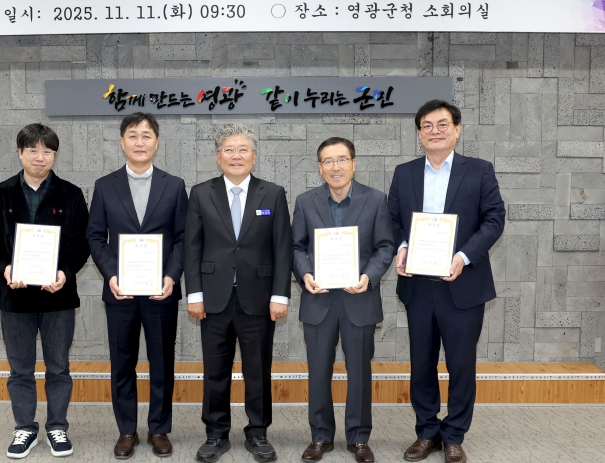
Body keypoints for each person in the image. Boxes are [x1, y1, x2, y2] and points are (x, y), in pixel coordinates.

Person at [388, 100, 505, 463]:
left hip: (463, 283)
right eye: (427, 125)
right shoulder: (404, 173)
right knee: (421, 363)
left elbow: (494, 219)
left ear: (457, 129)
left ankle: (454, 434)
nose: (434, 131)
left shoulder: (479, 170)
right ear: (419, 133)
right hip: (419, 285)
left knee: (461, 365)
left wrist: (464, 256)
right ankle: (427, 432)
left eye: (442, 124)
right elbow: (393, 220)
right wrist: (402, 247)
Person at [0, 123, 90, 459]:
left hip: (58, 297)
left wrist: (64, 272)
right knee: (20, 369)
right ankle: (24, 428)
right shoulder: (1, 193)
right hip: (15, 297)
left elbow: (81, 242)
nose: (40, 157)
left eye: (47, 151)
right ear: (20, 153)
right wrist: (5, 266)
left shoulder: (71, 194)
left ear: (54, 155)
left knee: (58, 367)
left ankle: (57, 427)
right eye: (33, 150)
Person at [184, 123, 292, 463]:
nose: (236, 156)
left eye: (243, 149)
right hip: (213, 298)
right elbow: (191, 247)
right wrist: (194, 294)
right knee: (215, 371)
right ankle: (215, 433)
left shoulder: (272, 193)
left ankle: (258, 432)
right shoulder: (200, 193)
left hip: (259, 298)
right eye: (229, 150)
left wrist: (280, 295)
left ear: (254, 156)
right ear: (218, 157)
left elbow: (282, 248)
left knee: (257, 371)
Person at [87, 112, 188, 460]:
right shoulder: (105, 185)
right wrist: (111, 275)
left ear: (156, 143)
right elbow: (95, 236)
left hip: (161, 291)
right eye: (133, 135)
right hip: (121, 291)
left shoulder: (174, 185)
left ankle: (159, 428)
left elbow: (183, 237)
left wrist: (171, 276)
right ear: (122, 142)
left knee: (162, 364)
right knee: (122, 364)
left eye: (146, 136)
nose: (140, 142)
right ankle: (126, 430)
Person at [291, 137, 394, 463]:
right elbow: (295, 247)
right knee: (318, 372)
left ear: (354, 163)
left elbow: (385, 246)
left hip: (359, 300)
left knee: (359, 371)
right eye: (328, 161)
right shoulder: (305, 202)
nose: (335, 167)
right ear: (320, 167)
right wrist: (305, 275)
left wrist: (369, 276)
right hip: (318, 300)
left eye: (342, 159)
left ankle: (359, 438)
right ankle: (320, 436)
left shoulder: (375, 200)